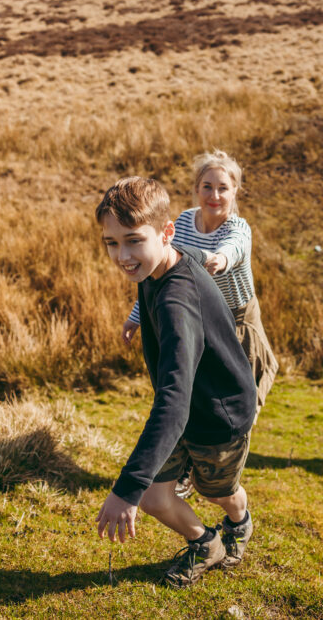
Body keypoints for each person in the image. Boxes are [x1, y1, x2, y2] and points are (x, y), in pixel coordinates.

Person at [94, 176, 257, 588]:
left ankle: (239, 521)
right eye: (111, 243)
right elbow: (177, 401)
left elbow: (174, 400)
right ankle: (206, 543)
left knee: (218, 492)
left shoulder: (176, 301)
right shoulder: (156, 269)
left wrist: (125, 489)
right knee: (155, 498)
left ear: (166, 233)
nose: (123, 256)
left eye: (133, 240)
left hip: (219, 417)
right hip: (183, 413)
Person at [121, 150, 278, 498]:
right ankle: (189, 464)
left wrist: (217, 258)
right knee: (191, 392)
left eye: (223, 188)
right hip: (197, 317)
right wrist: (136, 316)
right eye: (207, 186)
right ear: (196, 189)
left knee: (242, 401)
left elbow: (231, 249)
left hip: (237, 322)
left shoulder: (238, 228)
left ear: (235, 191)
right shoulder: (183, 222)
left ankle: (224, 469)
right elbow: (161, 269)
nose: (215, 196)